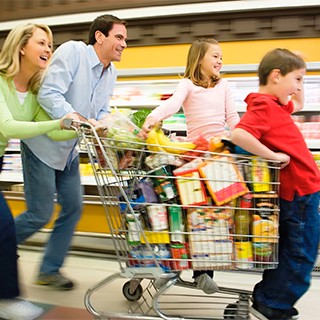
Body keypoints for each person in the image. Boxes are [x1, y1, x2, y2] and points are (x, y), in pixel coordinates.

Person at [14, 14, 128, 291]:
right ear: (100, 36)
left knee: (73, 207)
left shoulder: (110, 72)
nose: (124, 44)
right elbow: (49, 94)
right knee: (39, 215)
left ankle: (49, 270)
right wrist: (79, 119)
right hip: (42, 145)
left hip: (70, 150)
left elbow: (100, 112)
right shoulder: (73, 52)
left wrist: (110, 132)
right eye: (119, 37)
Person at [142, 38, 240, 294]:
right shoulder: (187, 85)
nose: (220, 61)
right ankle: (174, 267)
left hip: (218, 159)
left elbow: (233, 118)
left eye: (221, 56)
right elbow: (172, 103)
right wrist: (153, 118)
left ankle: (204, 271)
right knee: (186, 214)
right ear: (199, 59)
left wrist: (242, 137)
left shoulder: (225, 86)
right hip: (192, 158)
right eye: (215, 56)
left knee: (213, 217)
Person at [231, 48, 320, 320]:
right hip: (298, 194)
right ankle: (271, 304)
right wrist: (273, 156)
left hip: (304, 192)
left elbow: (300, 105)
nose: (298, 87)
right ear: (276, 76)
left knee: (293, 251)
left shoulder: (276, 105)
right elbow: (239, 134)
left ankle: (267, 295)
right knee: (301, 254)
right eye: (297, 79)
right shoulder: (263, 106)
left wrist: (298, 79)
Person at [0, 23, 77, 320]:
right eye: (42, 43)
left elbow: (53, 135)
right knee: (6, 228)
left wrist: (85, 127)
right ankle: (8, 300)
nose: (49, 49)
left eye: (50, 44)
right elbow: (8, 127)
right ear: (21, 46)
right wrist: (58, 123)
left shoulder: (33, 92)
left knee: (4, 230)